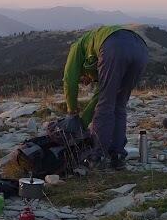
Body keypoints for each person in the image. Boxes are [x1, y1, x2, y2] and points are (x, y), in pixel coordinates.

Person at [62, 25, 149, 169]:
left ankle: (97, 156)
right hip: (141, 49)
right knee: (119, 104)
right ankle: (117, 155)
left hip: (113, 44)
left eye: (83, 78)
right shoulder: (95, 53)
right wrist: (83, 122)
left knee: (106, 105)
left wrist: (72, 112)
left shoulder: (76, 48)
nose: (86, 82)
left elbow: (69, 81)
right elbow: (99, 96)